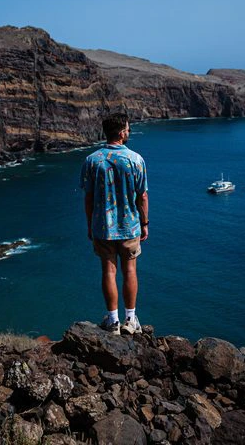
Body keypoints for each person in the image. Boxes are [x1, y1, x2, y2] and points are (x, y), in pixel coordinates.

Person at [80, 112, 149, 336]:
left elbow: (88, 198)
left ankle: (113, 321)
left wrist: (90, 225)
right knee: (130, 270)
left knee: (108, 271)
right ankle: (130, 319)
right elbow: (142, 196)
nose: (129, 132)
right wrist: (145, 223)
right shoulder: (136, 159)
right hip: (130, 226)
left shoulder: (92, 160)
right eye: (128, 129)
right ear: (121, 133)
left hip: (102, 227)